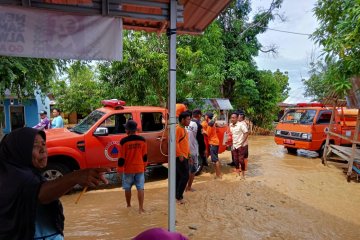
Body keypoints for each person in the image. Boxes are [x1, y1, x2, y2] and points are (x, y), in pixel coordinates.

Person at [0, 127, 109, 240]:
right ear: (19, 151)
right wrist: (75, 177)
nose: (43, 150)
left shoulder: (29, 174)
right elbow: (40, 194)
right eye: (35, 145)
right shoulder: (15, 178)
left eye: (43, 144)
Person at [118, 120, 148, 213]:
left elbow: (121, 158)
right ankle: (141, 208)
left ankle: (128, 205)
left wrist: (119, 169)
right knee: (140, 188)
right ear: (135, 130)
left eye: (125, 128)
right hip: (139, 168)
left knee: (127, 188)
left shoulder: (123, 141)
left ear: (128, 130)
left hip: (128, 169)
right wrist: (144, 166)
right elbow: (145, 156)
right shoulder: (142, 140)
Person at [175, 111, 191, 204]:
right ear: (182, 119)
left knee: (179, 176)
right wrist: (180, 154)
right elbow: (175, 143)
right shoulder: (178, 129)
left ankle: (177, 196)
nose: (189, 121)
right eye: (188, 119)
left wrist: (189, 154)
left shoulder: (183, 129)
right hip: (180, 157)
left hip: (184, 156)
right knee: (185, 176)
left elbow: (185, 143)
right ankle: (179, 196)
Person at [205, 112, 222, 179]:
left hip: (213, 143)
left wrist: (202, 131)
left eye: (205, 116)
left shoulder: (210, 123)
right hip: (215, 142)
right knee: (215, 159)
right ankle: (217, 174)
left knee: (215, 160)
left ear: (207, 117)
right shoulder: (212, 122)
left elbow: (207, 134)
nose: (205, 117)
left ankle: (219, 175)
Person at [238, 111, 249, 176]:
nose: (237, 118)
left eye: (238, 117)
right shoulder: (244, 123)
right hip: (246, 143)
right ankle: (245, 168)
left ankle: (240, 168)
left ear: (241, 118)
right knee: (245, 156)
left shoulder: (241, 124)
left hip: (242, 143)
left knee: (241, 156)